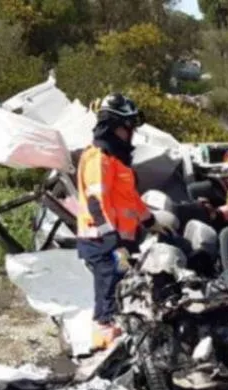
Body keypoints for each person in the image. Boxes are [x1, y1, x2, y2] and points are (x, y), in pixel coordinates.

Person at [76, 93, 153, 351]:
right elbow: (96, 203)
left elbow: (129, 199)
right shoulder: (99, 158)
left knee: (122, 287)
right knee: (109, 288)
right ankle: (104, 343)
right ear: (112, 127)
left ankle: (121, 337)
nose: (130, 135)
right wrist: (113, 241)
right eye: (127, 128)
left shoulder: (116, 161)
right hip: (102, 240)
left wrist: (150, 221)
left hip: (119, 240)